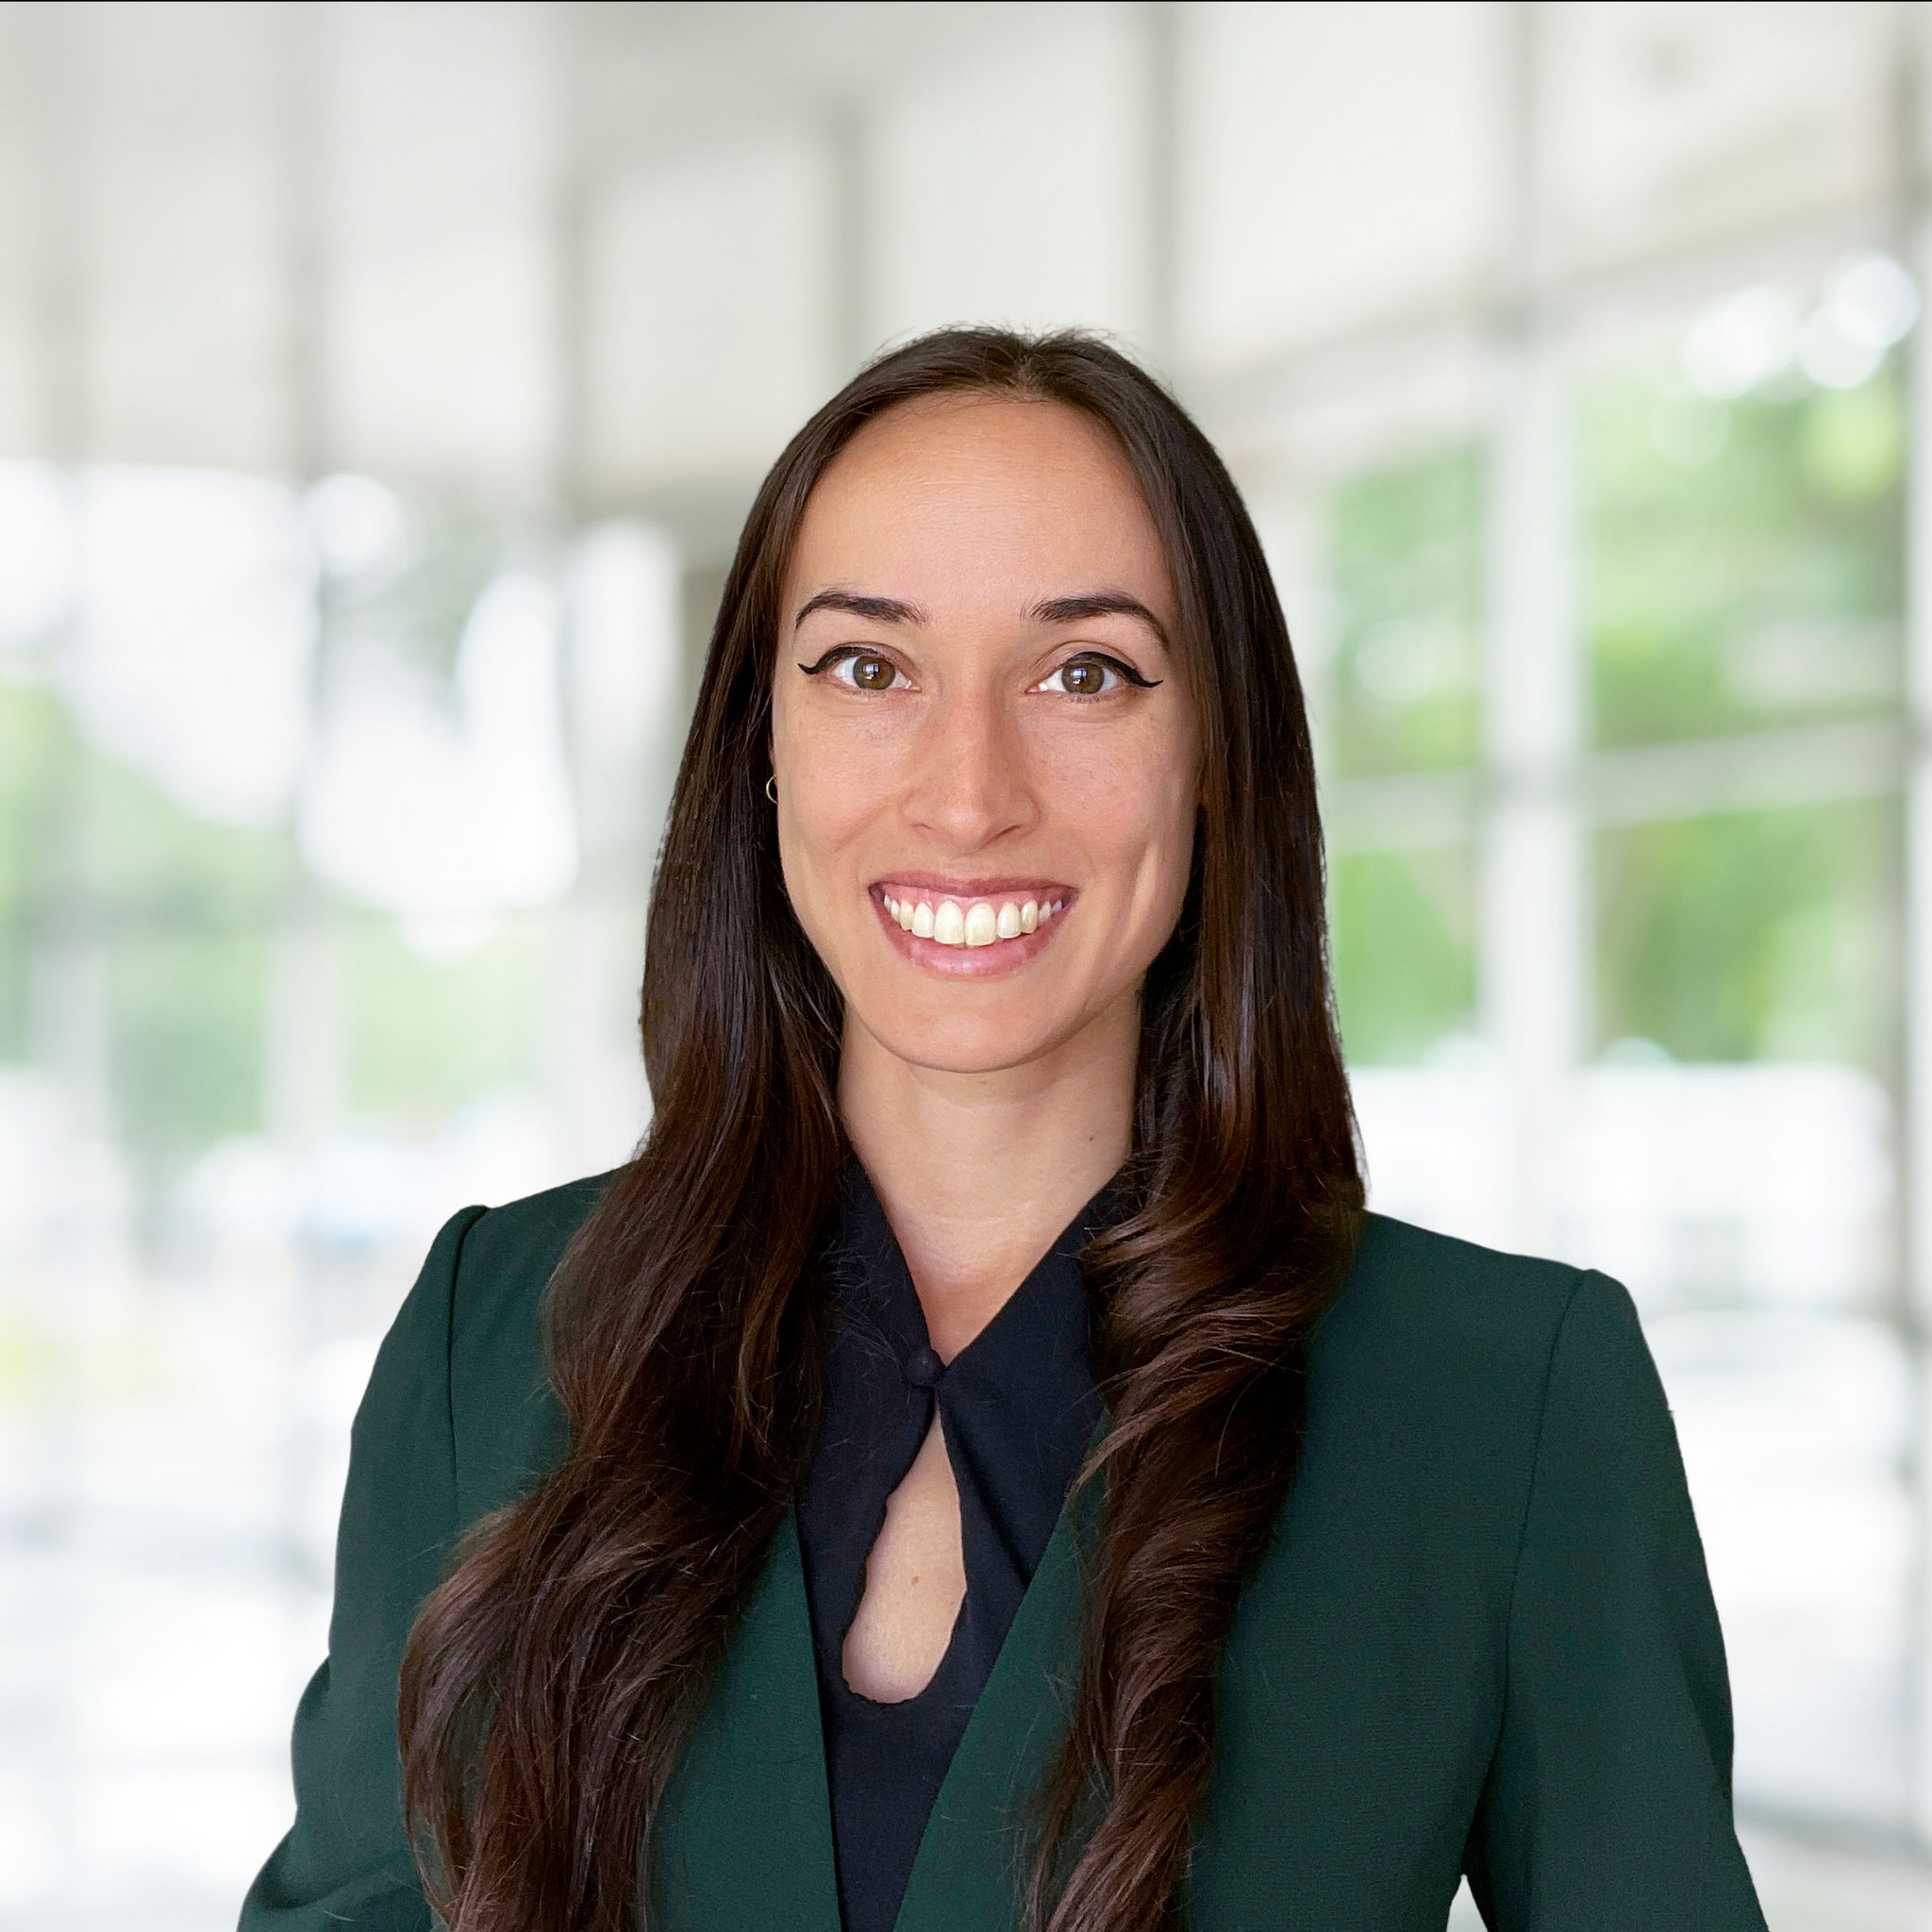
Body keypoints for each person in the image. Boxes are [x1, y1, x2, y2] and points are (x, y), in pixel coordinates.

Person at [240, 328, 1766, 1932]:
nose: (968, 794)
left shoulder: (1500, 1402)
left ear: (1213, 760)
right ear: (763, 746)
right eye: (868, 668)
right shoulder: (496, 1334)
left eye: (1084, 672)